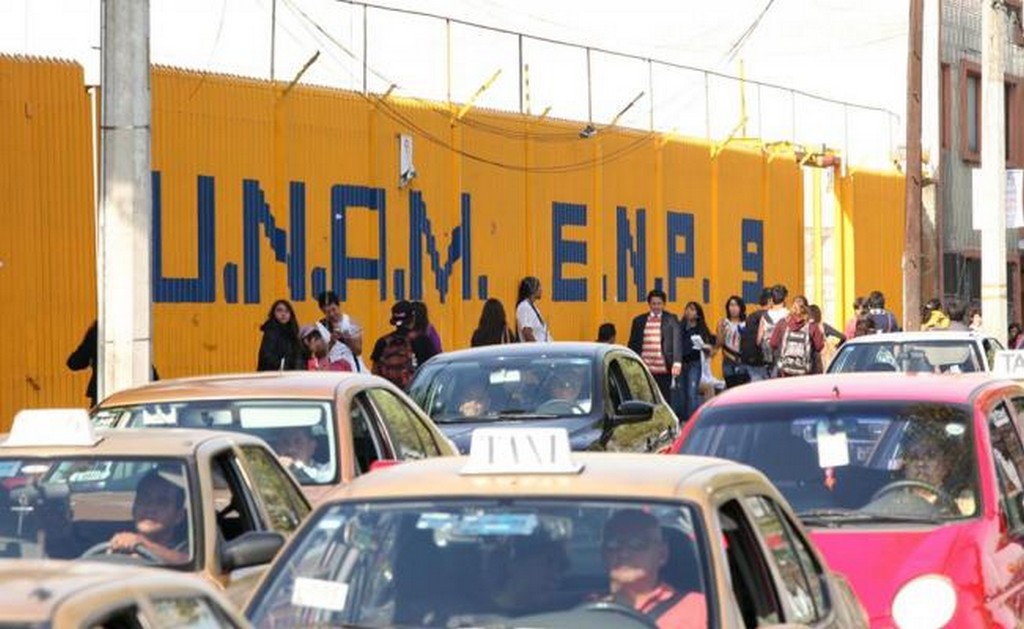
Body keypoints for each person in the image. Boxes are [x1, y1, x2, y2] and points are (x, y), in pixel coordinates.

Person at [600, 510, 706, 629]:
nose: (624, 553)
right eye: (613, 544)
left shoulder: (699, 609)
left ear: (662, 554)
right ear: (603, 553)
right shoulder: (587, 610)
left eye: (638, 544)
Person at [67, 320, 159, 408]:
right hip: (135, 389)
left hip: (103, 390)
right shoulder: (135, 328)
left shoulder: (98, 331)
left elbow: (75, 362)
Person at [106, 470, 189, 564]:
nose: (150, 508)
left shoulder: (187, 549)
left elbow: (186, 560)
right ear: (134, 508)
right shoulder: (117, 543)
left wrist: (144, 545)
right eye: (144, 499)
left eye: (162, 502)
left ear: (179, 515)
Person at [628, 290, 683, 405]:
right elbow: (632, 343)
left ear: (664, 304)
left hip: (664, 368)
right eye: (654, 303)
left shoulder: (671, 319)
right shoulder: (638, 321)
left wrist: (677, 362)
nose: (656, 306)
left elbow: (677, 341)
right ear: (649, 304)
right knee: (645, 399)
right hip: (645, 369)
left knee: (664, 400)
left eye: (659, 303)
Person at [677, 302, 714, 420]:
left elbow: (711, 347)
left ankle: (692, 420)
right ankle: (682, 419)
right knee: (682, 393)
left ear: (698, 313)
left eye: (692, 309)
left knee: (691, 392)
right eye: (687, 309)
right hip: (682, 362)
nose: (689, 312)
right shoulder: (680, 326)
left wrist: (705, 347)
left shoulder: (701, 328)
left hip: (695, 363)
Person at [769, 299, 824, 378]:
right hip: (806, 372)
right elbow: (819, 347)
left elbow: (773, 343)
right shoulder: (812, 326)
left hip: (784, 371)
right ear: (806, 310)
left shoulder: (783, 323)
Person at [257, 299, 306, 371]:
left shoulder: (294, 332)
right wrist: (281, 365)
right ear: (273, 313)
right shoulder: (271, 331)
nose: (283, 314)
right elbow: (266, 356)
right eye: (279, 310)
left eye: (287, 311)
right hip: (274, 375)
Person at [317, 291, 359, 368]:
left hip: (353, 367)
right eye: (327, 312)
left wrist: (348, 340)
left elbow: (358, 351)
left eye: (333, 309)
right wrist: (331, 342)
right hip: (332, 369)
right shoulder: (319, 327)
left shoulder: (351, 322)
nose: (331, 314)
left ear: (338, 305)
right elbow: (319, 354)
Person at [739, 287, 772, 382]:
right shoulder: (768, 317)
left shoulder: (751, 316)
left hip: (748, 359)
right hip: (761, 361)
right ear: (770, 301)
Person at [757, 284, 790, 376]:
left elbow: (758, 340)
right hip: (785, 357)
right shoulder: (789, 315)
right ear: (784, 298)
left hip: (769, 357)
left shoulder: (765, 316)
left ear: (771, 299)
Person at [715, 295, 746, 385]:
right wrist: (721, 331)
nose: (733, 308)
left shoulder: (746, 323)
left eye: (736, 305)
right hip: (728, 360)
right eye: (731, 305)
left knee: (742, 388)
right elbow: (718, 344)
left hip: (742, 361)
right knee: (730, 387)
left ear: (741, 307)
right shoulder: (724, 322)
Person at [808, 304, 845, 374]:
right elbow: (843, 337)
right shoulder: (823, 326)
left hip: (808, 362)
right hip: (821, 361)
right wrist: (837, 346)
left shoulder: (805, 327)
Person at [515, 277, 552, 343]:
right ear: (533, 289)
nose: (541, 289)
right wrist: (537, 349)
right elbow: (527, 332)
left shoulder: (533, 307)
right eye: (539, 286)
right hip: (537, 351)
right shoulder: (524, 307)